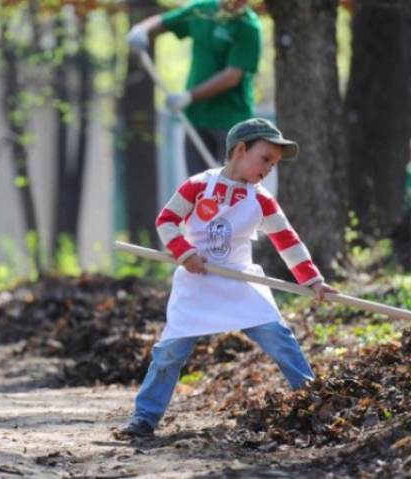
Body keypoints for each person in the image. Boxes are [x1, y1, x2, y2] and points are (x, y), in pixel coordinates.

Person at [118, 118, 340, 438]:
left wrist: (313, 280)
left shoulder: (262, 199)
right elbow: (166, 221)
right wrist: (185, 253)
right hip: (197, 282)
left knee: (281, 340)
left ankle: (315, 402)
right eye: (265, 159)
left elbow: (287, 240)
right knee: (168, 354)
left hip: (241, 282)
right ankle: (144, 417)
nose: (269, 169)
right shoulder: (197, 185)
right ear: (240, 150)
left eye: (274, 164)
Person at [127, 0, 262, 176]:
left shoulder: (248, 27)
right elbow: (164, 22)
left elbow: (232, 77)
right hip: (197, 117)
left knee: (229, 187)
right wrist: (142, 30)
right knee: (198, 185)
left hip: (230, 122)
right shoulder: (201, 10)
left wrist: (189, 96)